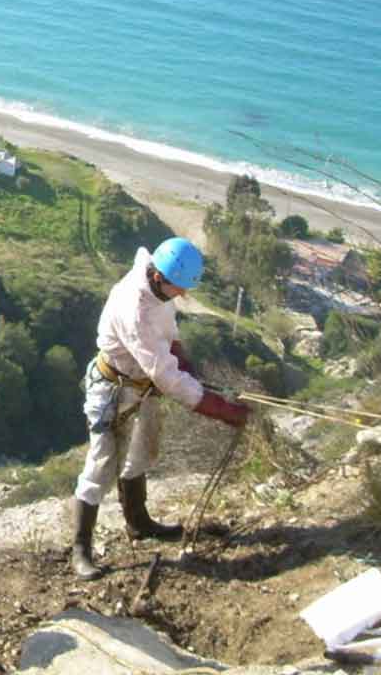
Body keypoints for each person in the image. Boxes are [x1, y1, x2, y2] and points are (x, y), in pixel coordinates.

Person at [71, 237, 249, 580]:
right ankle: (80, 548)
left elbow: (169, 334)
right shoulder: (134, 308)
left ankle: (139, 523)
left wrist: (187, 364)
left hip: (142, 385)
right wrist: (219, 409)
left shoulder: (160, 290)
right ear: (158, 277)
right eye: (178, 288)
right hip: (113, 389)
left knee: (142, 452)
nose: (181, 294)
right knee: (102, 465)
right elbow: (165, 376)